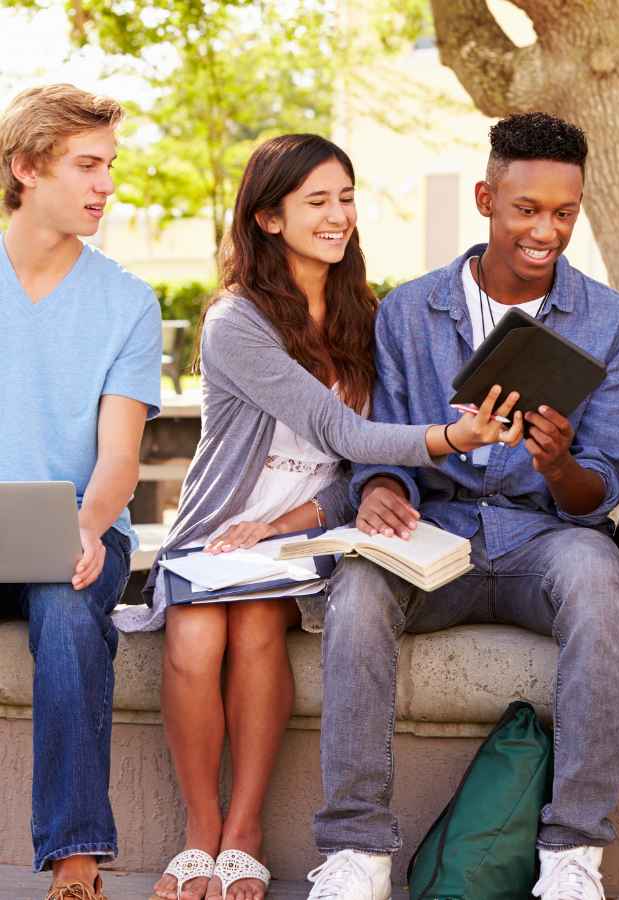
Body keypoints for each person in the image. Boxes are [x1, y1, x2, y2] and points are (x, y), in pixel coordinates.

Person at [113, 134, 521, 900]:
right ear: (268, 219)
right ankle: (200, 834)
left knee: (259, 625)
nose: (339, 216)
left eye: (345, 197)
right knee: (198, 636)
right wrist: (449, 439)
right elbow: (340, 430)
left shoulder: (364, 316)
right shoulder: (236, 322)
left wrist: (289, 523)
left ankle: (246, 833)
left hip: (311, 532)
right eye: (317, 202)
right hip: (219, 530)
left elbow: (349, 472)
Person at [305, 112, 619, 900]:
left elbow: (600, 491)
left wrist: (558, 465)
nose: (546, 231)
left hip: (544, 536)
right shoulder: (409, 311)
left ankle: (572, 852)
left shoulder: (613, 321)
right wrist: (384, 487)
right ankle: (355, 849)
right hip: (435, 531)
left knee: (600, 583)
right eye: (527, 209)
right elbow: (379, 439)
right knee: (356, 591)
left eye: (565, 212)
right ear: (488, 199)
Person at [0, 84, 162, 900]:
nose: (107, 185)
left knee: (66, 613)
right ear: (27, 168)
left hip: (82, 533)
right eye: (87, 165)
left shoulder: (127, 303)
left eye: (111, 165)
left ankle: (75, 856)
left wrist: (92, 528)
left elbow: (119, 460)